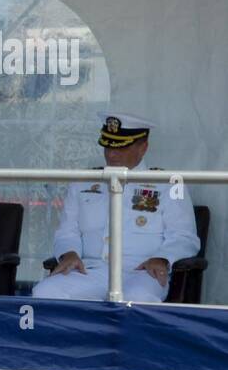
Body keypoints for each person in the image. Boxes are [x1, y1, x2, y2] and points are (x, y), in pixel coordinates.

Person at [32, 113, 199, 302]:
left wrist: (163, 258)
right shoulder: (82, 182)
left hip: (142, 272)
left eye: (121, 147)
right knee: (45, 293)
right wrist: (68, 253)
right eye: (108, 146)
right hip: (91, 270)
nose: (112, 154)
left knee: (138, 299)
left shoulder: (169, 184)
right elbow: (67, 231)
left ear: (143, 148)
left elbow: (184, 237)